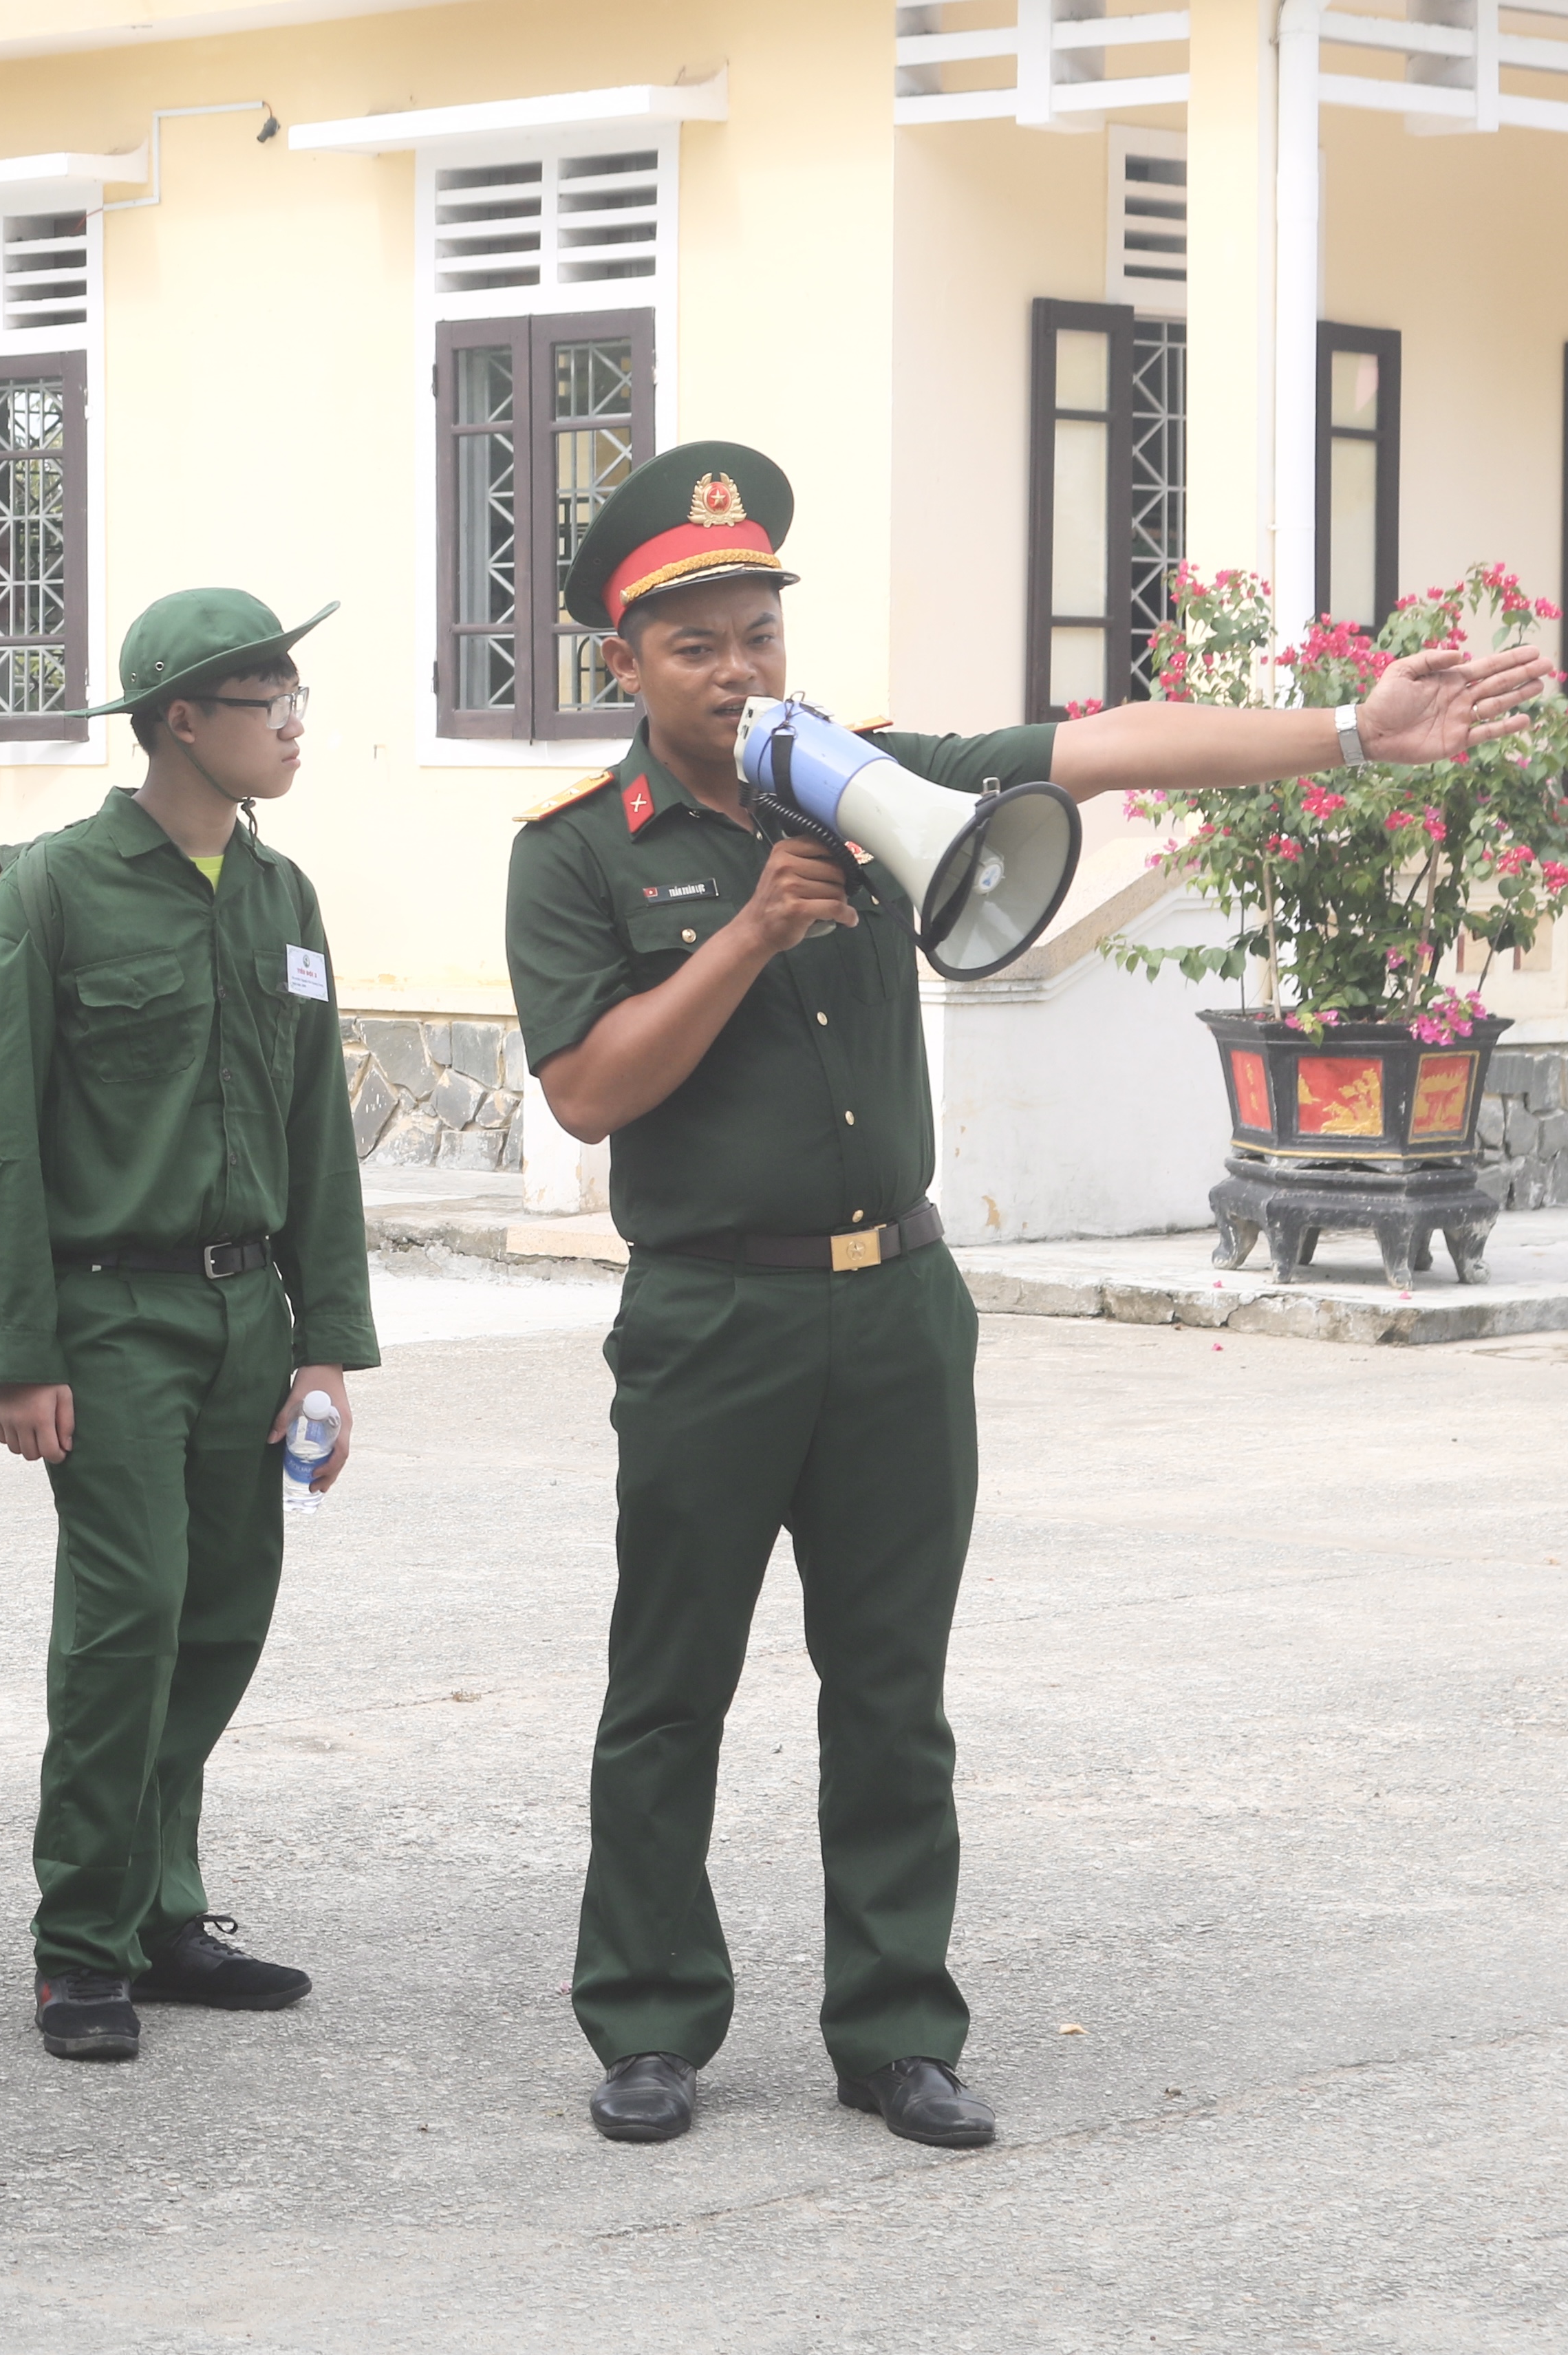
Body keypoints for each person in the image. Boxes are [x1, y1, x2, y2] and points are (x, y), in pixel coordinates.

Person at [512, 440, 1550, 2150]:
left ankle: (894, 2027)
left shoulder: (856, 780)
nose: (737, 667)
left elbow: (1106, 747)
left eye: (756, 629)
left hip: (896, 1307)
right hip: (713, 1316)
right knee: (670, 1682)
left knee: (891, 1688)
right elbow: (587, 1093)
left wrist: (1359, 730)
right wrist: (748, 937)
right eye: (690, 641)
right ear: (620, 667)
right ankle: (647, 2023)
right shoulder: (573, 857)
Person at [0, 588, 380, 2065]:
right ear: (178, 721)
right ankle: (80, 1940)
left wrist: (323, 1340)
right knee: (127, 1617)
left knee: (219, 1612)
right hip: (109, 1311)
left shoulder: (282, 900)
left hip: (244, 1311)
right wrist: (22, 1346)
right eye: (261, 694)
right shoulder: (57, 891)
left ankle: (163, 1908)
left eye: (292, 691)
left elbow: (314, 1132)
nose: (290, 719)